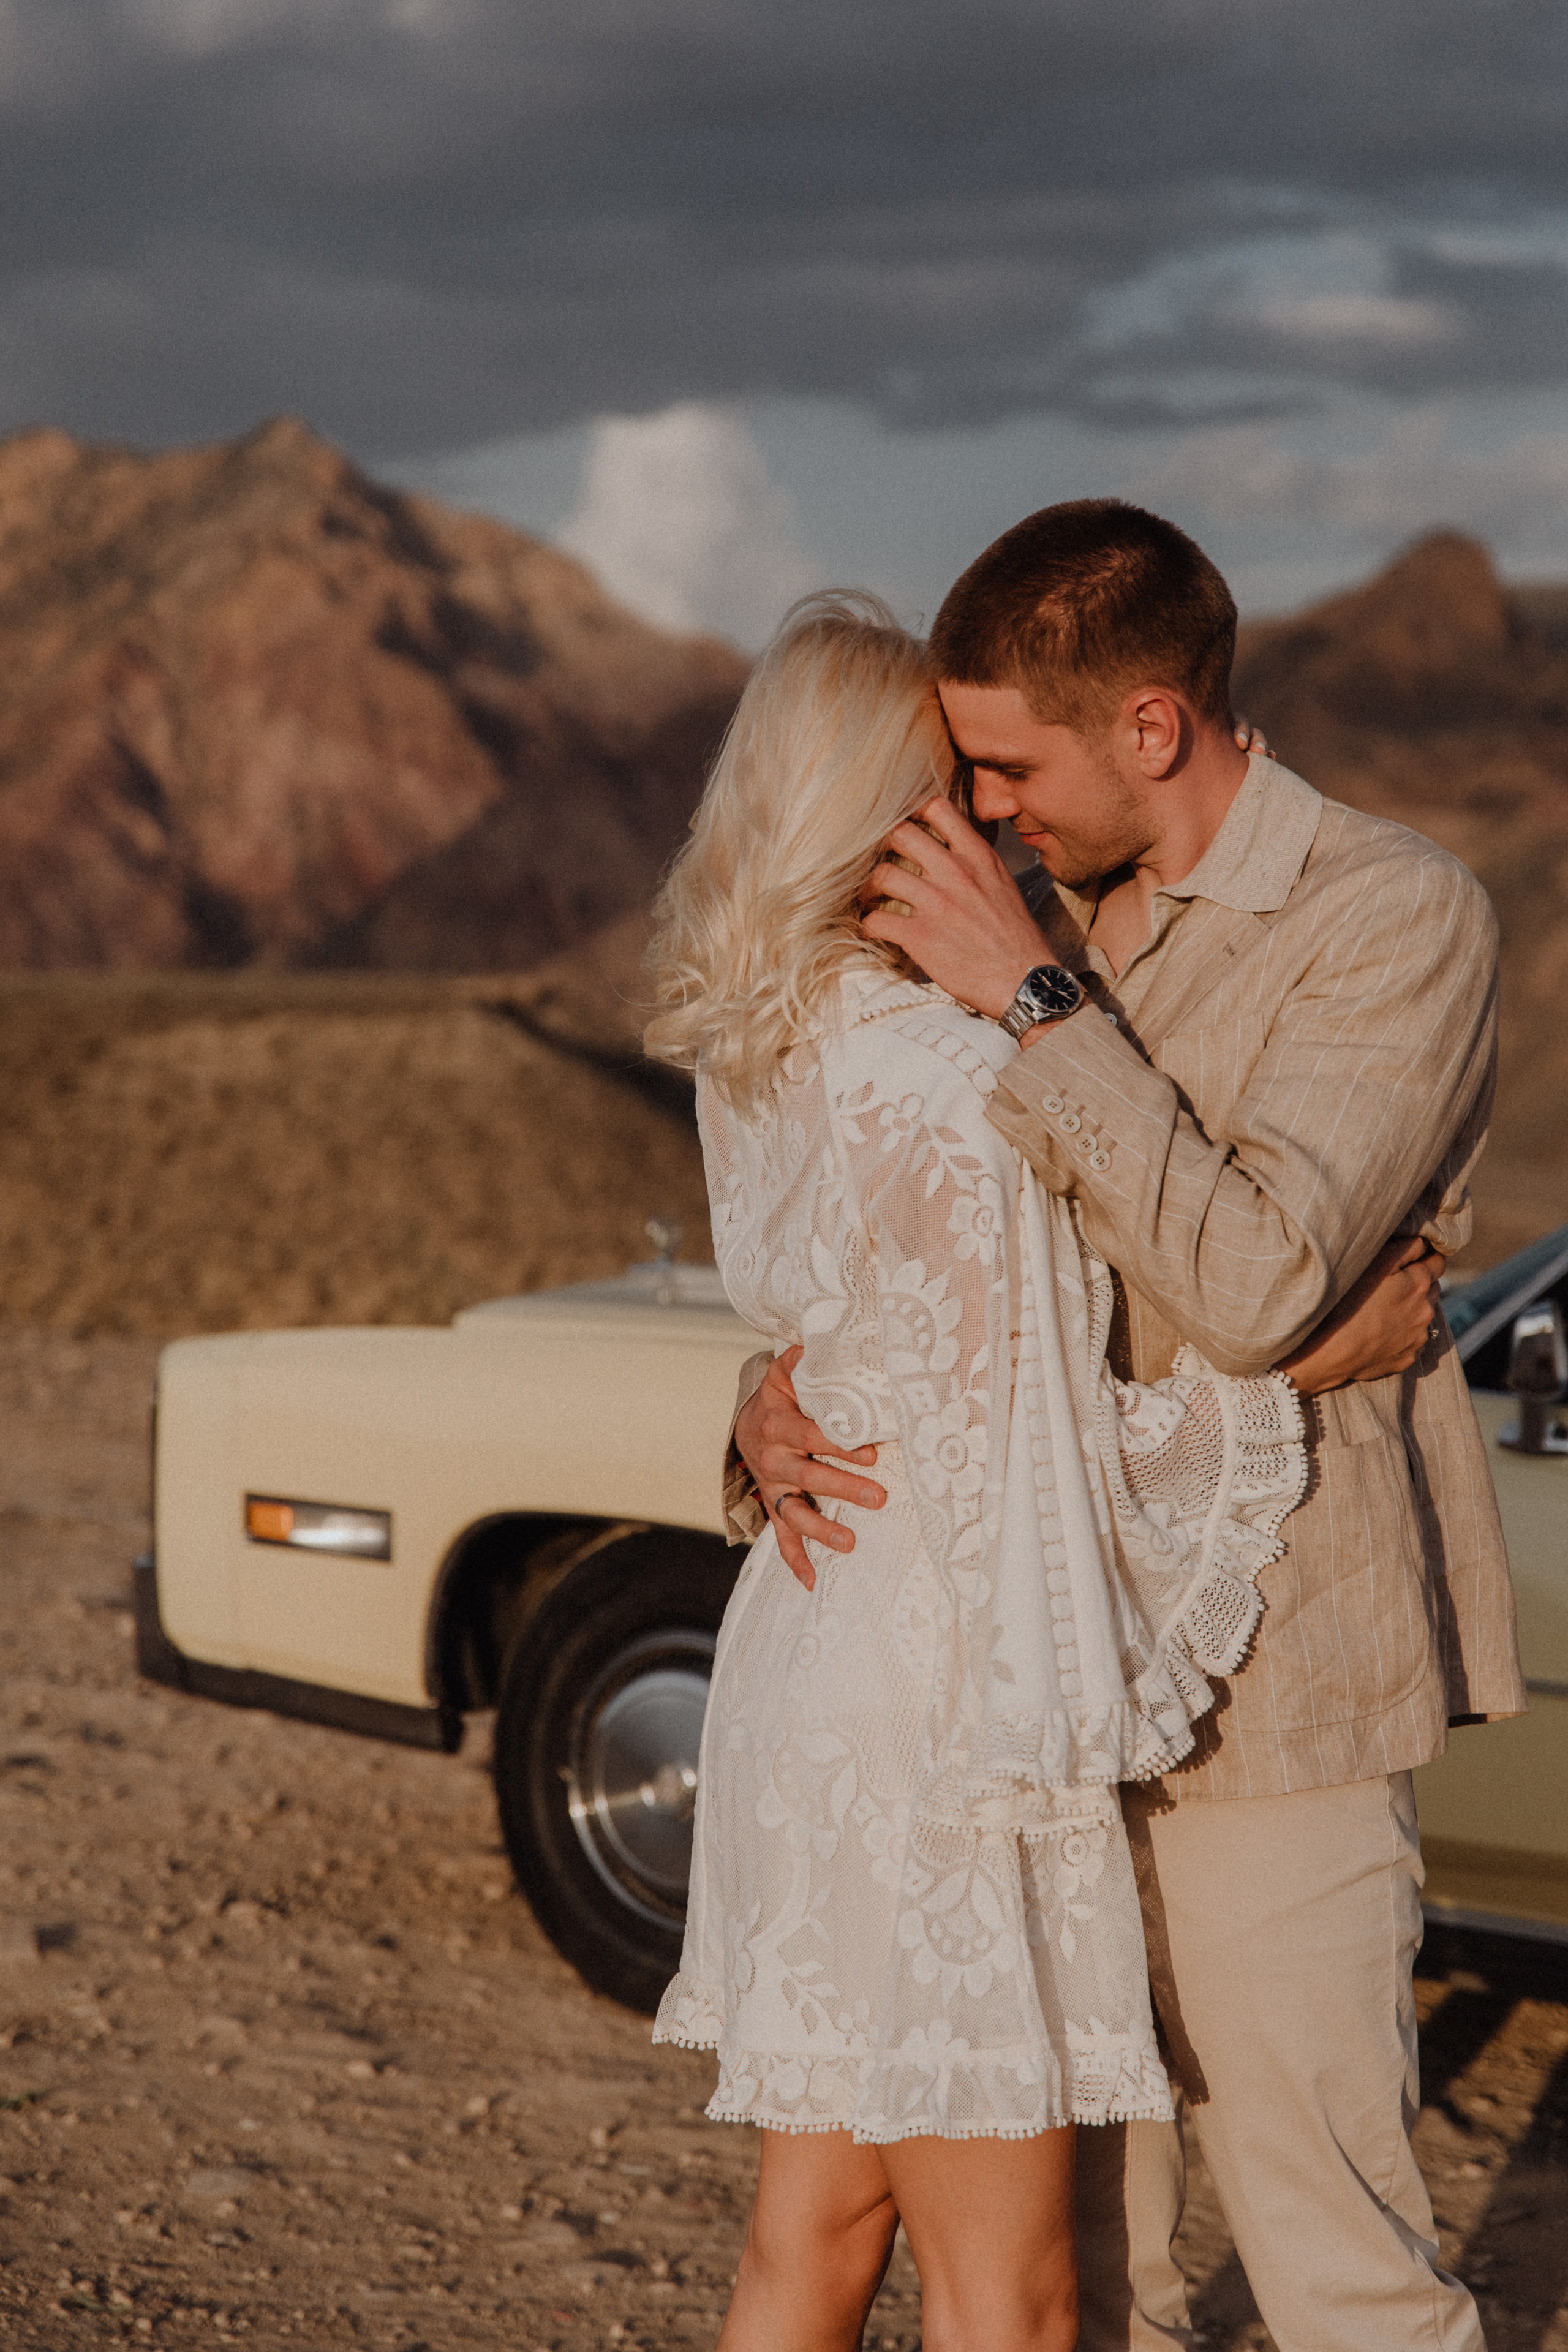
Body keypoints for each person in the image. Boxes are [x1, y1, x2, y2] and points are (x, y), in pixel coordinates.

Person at [729, 502, 1525, 2352]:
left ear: (1152, 727)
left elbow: (1247, 1277)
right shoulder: (1043, 910)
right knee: (1092, 2280)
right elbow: (927, 1276)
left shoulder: (1392, 917)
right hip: (1019, 1724)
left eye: (1006, 764)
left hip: (1278, 1705)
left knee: (1340, 2275)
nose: (985, 812)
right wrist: (773, 1405)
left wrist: (1030, 998)